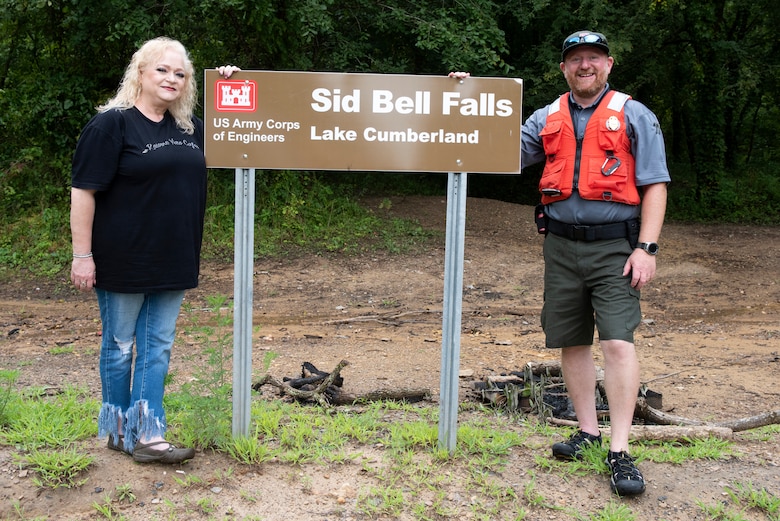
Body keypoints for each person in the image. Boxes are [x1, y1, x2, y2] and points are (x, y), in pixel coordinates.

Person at [451, 30, 669, 496]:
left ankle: (619, 451)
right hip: (561, 246)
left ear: (608, 64)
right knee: (570, 340)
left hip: (616, 246)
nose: (584, 66)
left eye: (593, 58)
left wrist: (646, 249)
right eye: (575, 60)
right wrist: (463, 99)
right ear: (564, 68)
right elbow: (497, 150)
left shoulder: (634, 114)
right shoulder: (547, 116)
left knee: (616, 343)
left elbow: (655, 184)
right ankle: (588, 433)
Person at [70, 36, 238, 464]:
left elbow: (253, 128)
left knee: (158, 344)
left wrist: (232, 84)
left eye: (180, 73)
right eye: (162, 69)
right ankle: (119, 427)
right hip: (123, 258)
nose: (171, 79)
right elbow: (84, 191)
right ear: (141, 73)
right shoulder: (113, 123)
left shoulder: (192, 129)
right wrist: (82, 255)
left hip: (174, 256)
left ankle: (147, 435)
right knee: (121, 345)